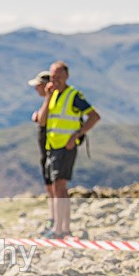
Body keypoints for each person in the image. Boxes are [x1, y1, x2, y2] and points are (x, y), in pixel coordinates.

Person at [37, 61, 101, 238]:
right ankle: (62, 228)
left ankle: (60, 229)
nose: (55, 80)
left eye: (58, 77)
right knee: (58, 188)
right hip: (52, 146)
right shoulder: (53, 96)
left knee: (60, 186)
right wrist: (48, 97)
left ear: (66, 77)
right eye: (52, 77)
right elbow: (42, 121)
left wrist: (77, 135)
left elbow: (94, 116)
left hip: (66, 146)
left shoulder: (73, 96)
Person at [28, 70, 55, 235]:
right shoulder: (48, 101)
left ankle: (55, 222)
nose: (36, 89)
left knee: (54, 187)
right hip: (46, 149)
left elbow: (44, 120)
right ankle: (53, 219)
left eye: (38, 86)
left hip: (51, 147)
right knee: (50, 186)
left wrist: (47, 98)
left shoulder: (50, 100)